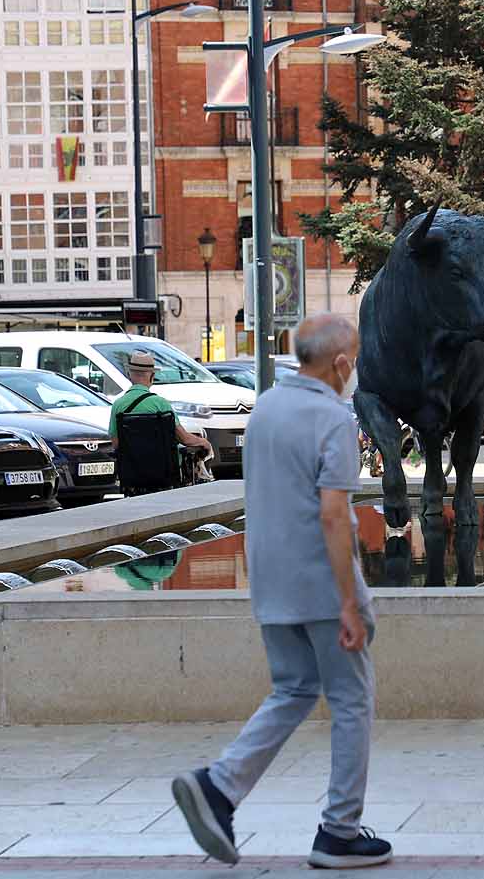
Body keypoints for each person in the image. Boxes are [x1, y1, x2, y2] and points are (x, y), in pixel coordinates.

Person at [171, 314, 393, 870]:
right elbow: (334, 515)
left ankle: (218, 787)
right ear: (339, 363)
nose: (354, 370)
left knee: (294, 688)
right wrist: (349, 602)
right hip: (321, 582)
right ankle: (339, 832)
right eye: (354, 360)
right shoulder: (332, 418)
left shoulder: (265, 407)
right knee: (351, 701)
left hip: (269, 576)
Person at [109, 351, 213, 457]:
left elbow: (116, 444)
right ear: (152, 376)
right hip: (163, 465)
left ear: (128, 375)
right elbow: (184, 439)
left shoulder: (118, 405)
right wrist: (204, 442)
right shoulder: (161, 404)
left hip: (130, 465)